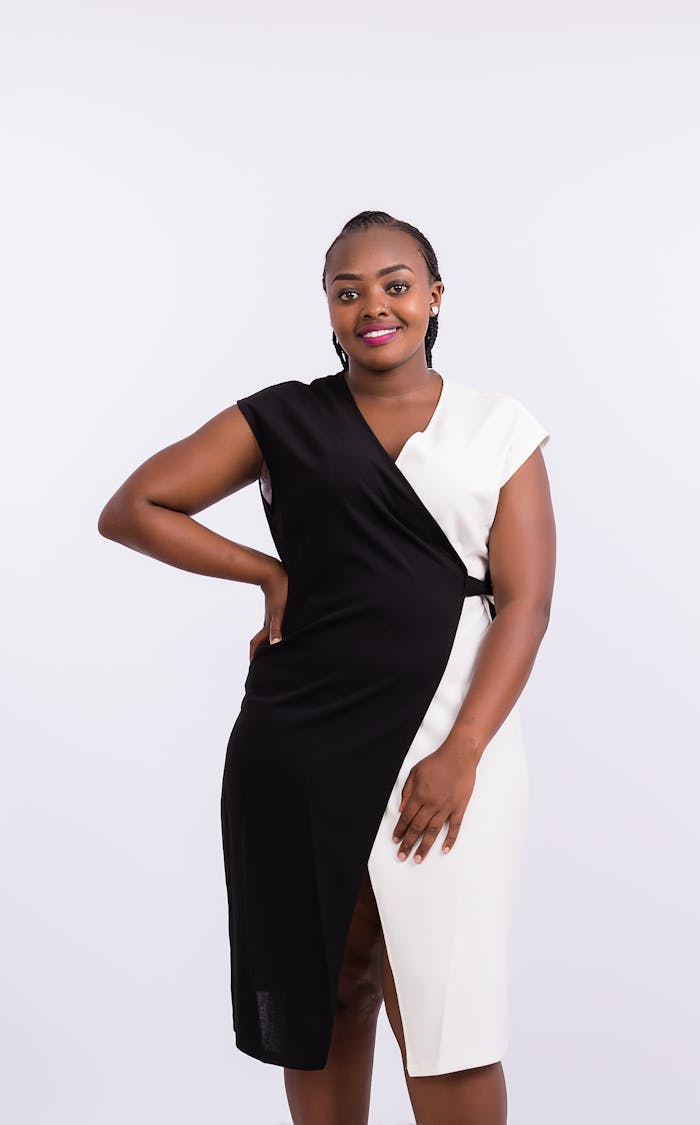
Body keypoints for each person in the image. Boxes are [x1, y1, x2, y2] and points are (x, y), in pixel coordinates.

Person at [98, 209, 556, 1125]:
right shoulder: (284, 417)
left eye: (394, 284)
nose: (372, 306)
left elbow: (527, 603)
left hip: (449, 733)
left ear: (434, 296)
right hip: (298, 739)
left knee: (446, 1011)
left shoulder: (498, 427)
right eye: (348, 291)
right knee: (329, 986)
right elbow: (135, 505)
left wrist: (463, 749)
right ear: (328, 309)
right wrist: (267, 570)